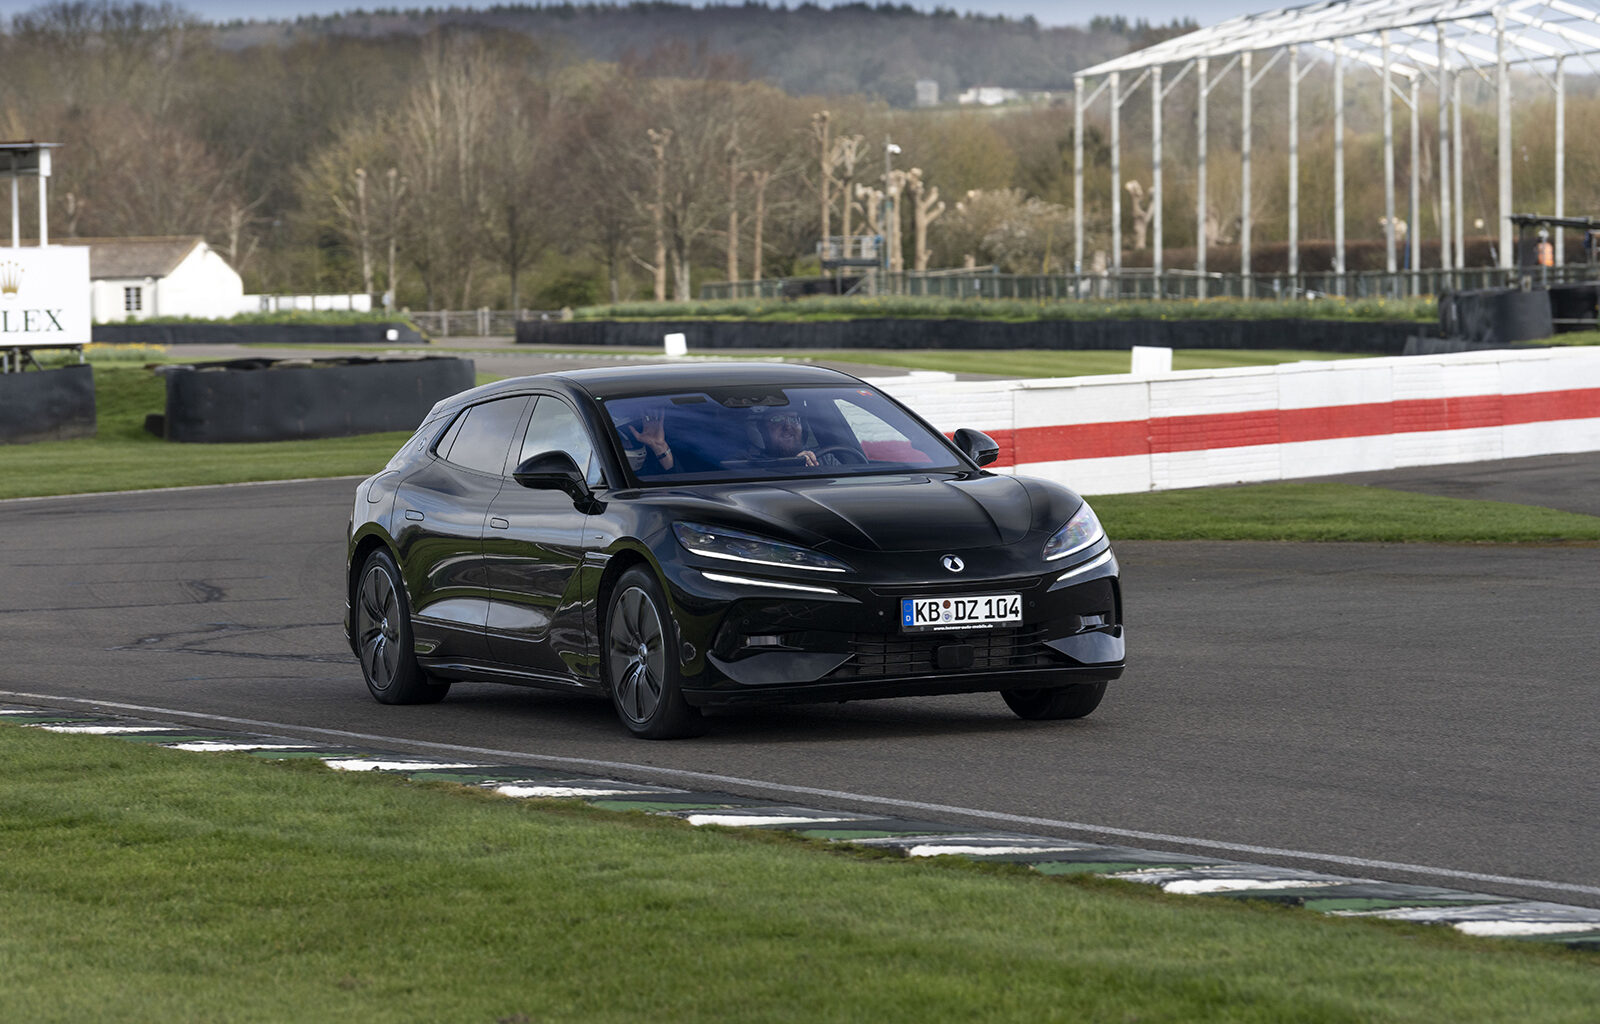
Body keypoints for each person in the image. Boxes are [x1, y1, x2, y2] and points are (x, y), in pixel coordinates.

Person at [746, 406, 838, 467]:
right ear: (763, 429)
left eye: (793, 419)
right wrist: (794, 467)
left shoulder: (825, 460)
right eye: (777, 419)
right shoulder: (752, 466)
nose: (788, 426)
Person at [623, 407, 677, 474]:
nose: (629, 443)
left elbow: (673, 476)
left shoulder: (650, 467)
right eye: (623, 440)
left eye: (632, 440)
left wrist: (658, 445)